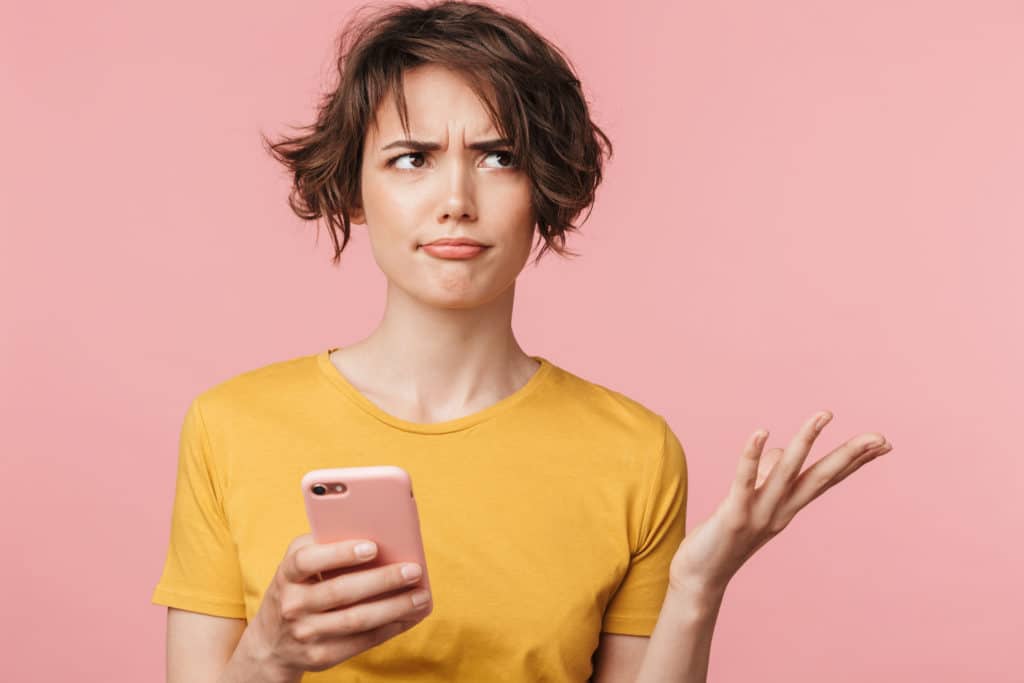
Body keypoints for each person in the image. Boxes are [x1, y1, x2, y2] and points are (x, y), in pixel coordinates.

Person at [151, 2, 894, 682]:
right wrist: (266, 656)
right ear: (353, 186)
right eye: (412, 158)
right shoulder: (230, 426)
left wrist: (696, 590)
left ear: (544, 188)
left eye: (499, 156)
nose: (456, 201)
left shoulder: (634, 450)